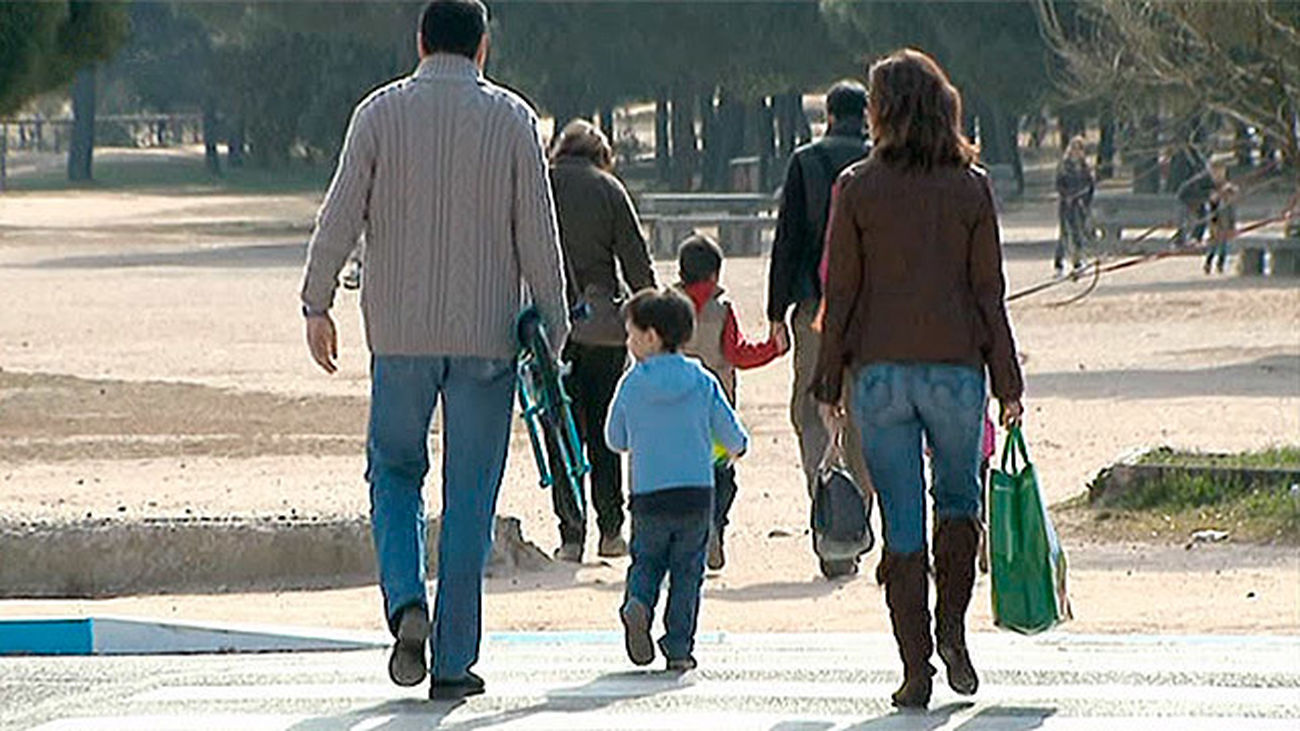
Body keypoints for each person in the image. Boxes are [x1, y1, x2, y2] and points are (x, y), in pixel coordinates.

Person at [299, 0, 568, 700]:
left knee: (393, 471)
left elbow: (339, 213)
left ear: (421, 41)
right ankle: (452, 658)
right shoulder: (514, 119)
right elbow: (539, 236)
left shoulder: (378, 114)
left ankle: (404, 601)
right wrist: (556, 332)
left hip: (399, 334)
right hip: (487, 336)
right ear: (484, 49)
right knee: (470, 492)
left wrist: (316, 300)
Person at [813, 49, 1024, 709]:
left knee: (903, 521)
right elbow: (990, 291)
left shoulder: (857, 186)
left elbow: (840, 291)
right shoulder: (971, 186)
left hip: (880, 375)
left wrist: (827, 382)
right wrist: (1008, 380)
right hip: (957, 369)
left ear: (880, 110)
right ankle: (953, 634)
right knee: (958, 500)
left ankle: (915, 668)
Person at [606, 287, 748, 671]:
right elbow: (734, 437)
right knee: (688, 572)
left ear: (651, 336)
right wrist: (731, 451)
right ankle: (679, 647)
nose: (628, 340)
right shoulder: (702, 380)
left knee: (647, 561)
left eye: (631, 332)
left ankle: (638, 603)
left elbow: (614, 439)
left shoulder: (631, 384)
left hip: (648, 497)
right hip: (696, 496)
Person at [766, 80, 874, 579]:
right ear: (866, 115)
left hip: (813, 307)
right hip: (873, 313)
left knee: (812, 412)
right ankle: (858, 520)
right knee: (863, 414)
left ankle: (827, 507)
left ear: (829, 115)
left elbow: (787, 239)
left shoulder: (806, 162)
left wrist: (774, 312)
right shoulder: (881, 162)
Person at [546, 119, 657, 563]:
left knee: (561, 428)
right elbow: (635, 261)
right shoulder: (610, 190)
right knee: (605, 433)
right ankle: (611, 528)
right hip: (606, 329)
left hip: (550, 329)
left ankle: (570, 531)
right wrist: (650, 315)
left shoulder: (542, 185)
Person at [673, 234, 787, 571]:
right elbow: (737, 354)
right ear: (714, 275)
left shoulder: (667, 307)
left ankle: (684, 538)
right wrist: (773, 348)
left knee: (679, 477)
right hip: (714, 416)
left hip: (674, 413)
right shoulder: (722, 311)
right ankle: (716, 526)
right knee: (721, 477)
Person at [1054, 136, 1095, 278]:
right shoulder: (1064, 166)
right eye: (1075, 148)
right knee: (1065, 233)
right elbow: (1059, 184)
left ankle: (1077, 262)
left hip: (1080, 204)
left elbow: (1090, 185)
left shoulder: (1084, 167)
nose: (1077, 152)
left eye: (1080, 149)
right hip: (1066, 204)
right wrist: (1067, 196)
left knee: (1078, 232)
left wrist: (1085, 200)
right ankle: (1059, 264)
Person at [1175, 146, 1216, 247]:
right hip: (1187, 197)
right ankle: (1182, 239)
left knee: (1202, 217)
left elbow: (1211, 188)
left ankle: (1195, 238)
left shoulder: (1204, 172)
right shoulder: (1200, 174)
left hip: (1195, 198)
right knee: (1186, 220)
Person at [1205, 180, 1238, 274]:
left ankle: (1220, 265)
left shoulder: (1231, 205)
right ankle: (1208, 264)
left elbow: (1232, 218)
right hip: (1217, 228)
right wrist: (1214, 228)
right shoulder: (1217, 204)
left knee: (1224, 248)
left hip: (1226, 228)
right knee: (1213, 247)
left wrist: (1232, 228)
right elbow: (1213, 217)